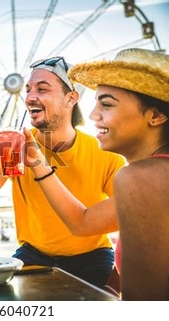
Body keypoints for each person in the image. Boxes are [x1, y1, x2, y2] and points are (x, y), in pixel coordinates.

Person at [0, 56, 126, 288]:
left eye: (42, 89)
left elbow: (129, 216)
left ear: (71, 98)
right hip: (33, 255)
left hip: (92, 256)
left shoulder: (104, 152)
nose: (30, 97)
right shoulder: (13, 146)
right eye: (29, 90)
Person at [22, 48, 168, 300]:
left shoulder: (140, 178)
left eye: (107, 104)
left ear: (156, 115)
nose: (92, 115)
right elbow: (85, 223)